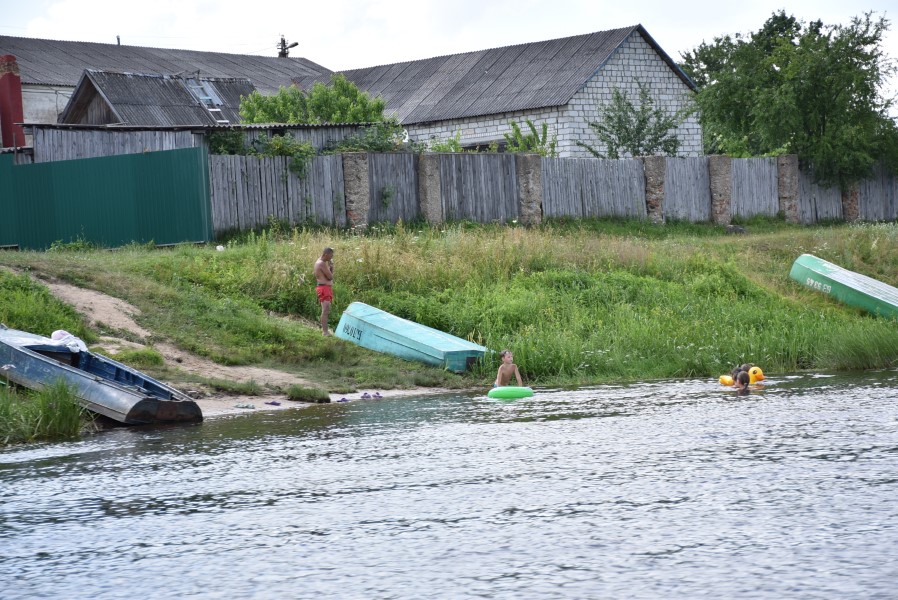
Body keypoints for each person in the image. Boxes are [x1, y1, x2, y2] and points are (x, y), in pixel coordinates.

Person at [313, 247, 335, 336]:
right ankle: (325, 332)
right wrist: (331, 266)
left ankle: (325, 331)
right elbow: (330, 277)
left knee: (326, 309)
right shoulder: (322, 263)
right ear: (326, 255)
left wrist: (329, 267)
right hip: (324, 288)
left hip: (324, 288)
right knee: (325, 310)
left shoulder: (320, 262)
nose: (331, 258)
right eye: (331, 256)